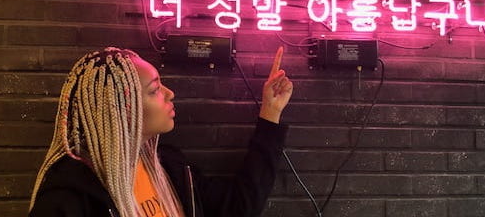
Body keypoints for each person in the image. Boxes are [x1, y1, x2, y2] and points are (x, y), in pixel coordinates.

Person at [28, 46, 292, 217]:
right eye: (154, 89)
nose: (169, 94)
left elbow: (238, 207)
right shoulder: (69, 199)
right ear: (121, 109)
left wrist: (270, 113)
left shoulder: (171, 169)